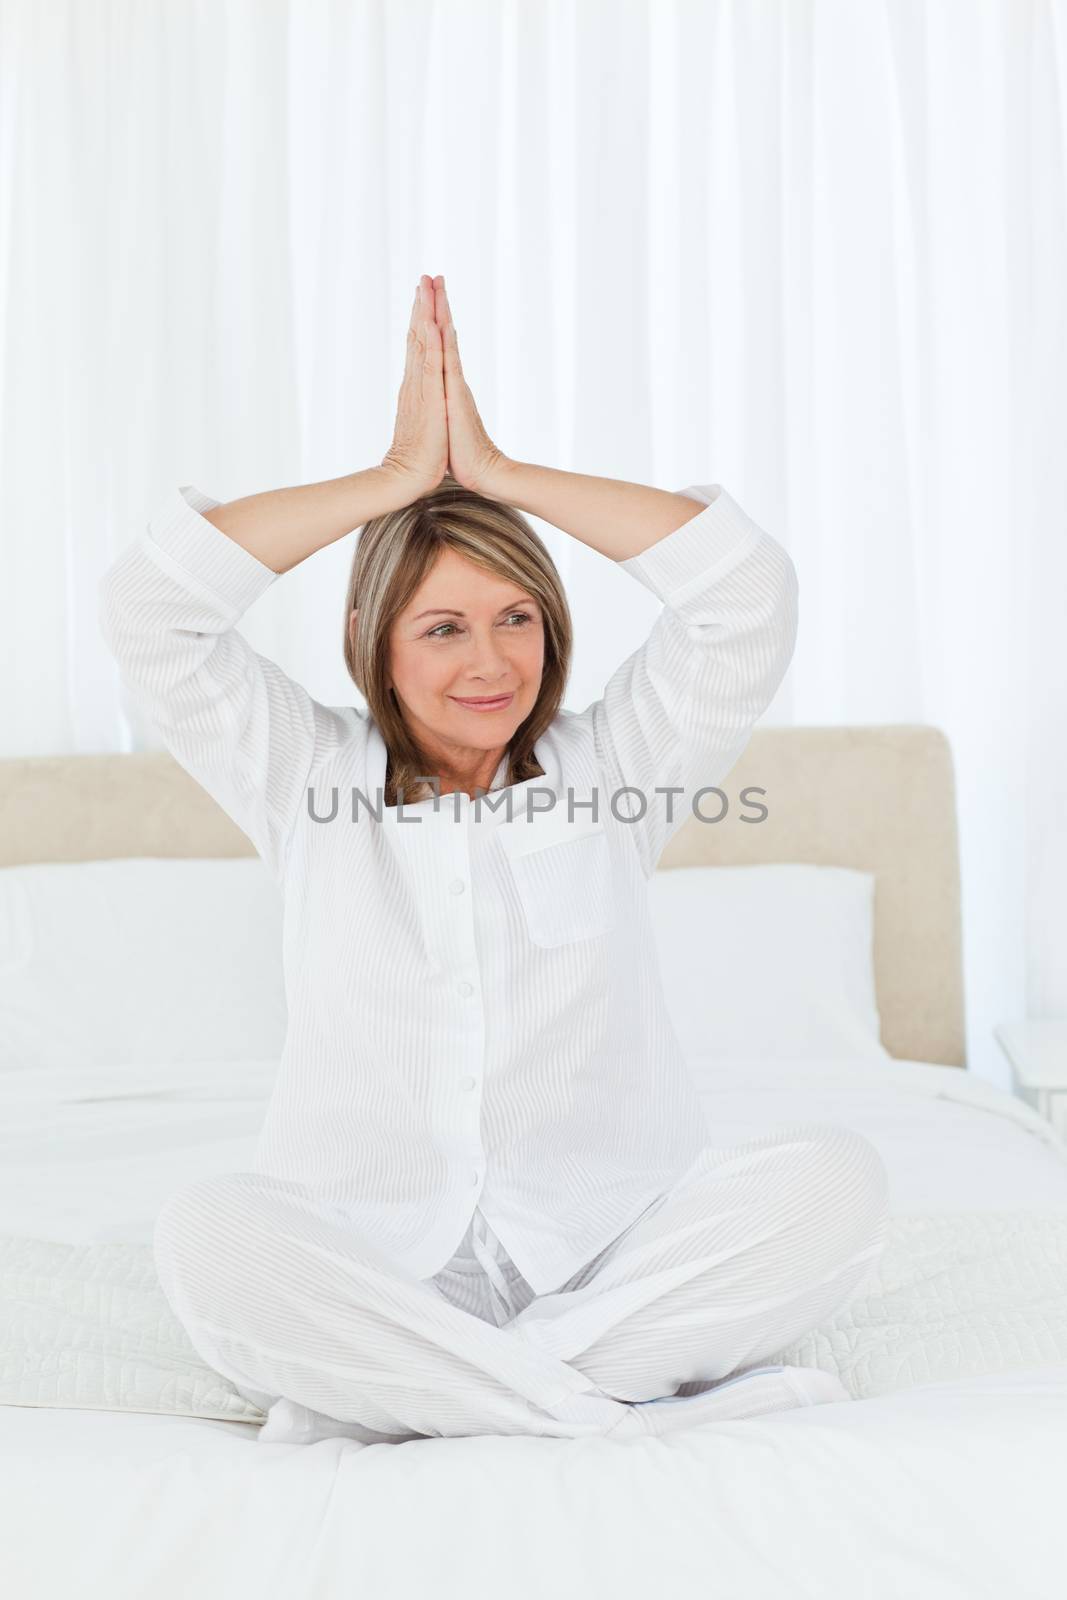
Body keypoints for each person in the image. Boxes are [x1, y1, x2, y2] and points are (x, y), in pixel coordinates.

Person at [98, 273, 888, 1447]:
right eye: (443, 625)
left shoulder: (619, 765)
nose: (489, 660)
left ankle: (426, 1395)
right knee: (207, 1235)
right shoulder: (305, 780)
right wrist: (390, 485)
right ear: (376, 639)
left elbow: (744, 594)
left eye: (515, 617)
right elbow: (152, 609)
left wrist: (500, 474)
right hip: (372, 1257)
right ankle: (595, 1407)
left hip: (605, 1254)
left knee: (839, 1183)